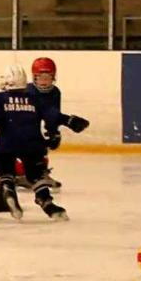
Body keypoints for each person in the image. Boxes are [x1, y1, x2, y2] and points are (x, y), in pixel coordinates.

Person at [0, 65, 67, 221]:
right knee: (37, 176)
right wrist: (54, 134)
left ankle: (8, 190)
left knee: (5, 171)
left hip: (7, 144)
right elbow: (52, 116)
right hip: (32, 144)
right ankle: (48, 204)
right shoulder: (35, 98)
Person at [18, 56, 90, 190]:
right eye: (41, 77)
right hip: (20, 124)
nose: (44, 82)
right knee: (32, 143)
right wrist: (66, 120)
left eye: (48, 77)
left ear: (54, 77)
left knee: (42, 145)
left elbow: (51, 114)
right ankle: (26, 173)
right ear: (34, 77)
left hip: (31, 125)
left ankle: (31, 174)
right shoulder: (27, 92)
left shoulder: (55, 92)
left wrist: (53, 132)